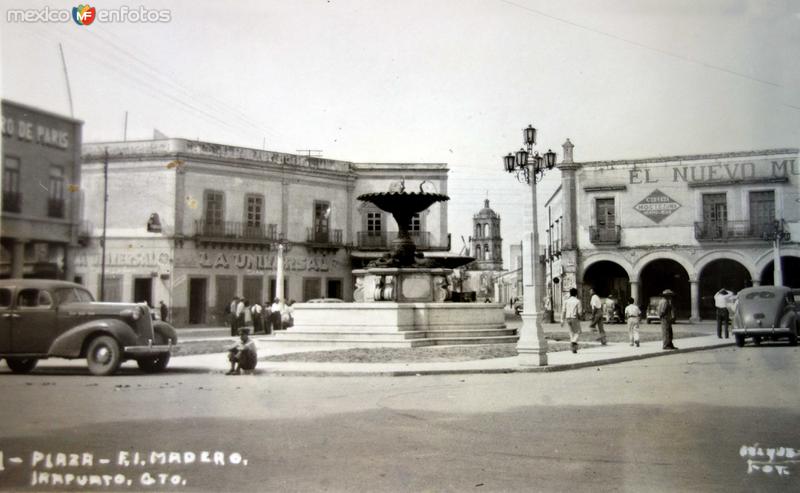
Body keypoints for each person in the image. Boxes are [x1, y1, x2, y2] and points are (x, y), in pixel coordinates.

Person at [561, 287, 583, 354]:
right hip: (574, 318)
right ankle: (573, 341)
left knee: (571, 332)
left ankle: (573, 349)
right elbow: (579, 312)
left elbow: (563, 311)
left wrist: (562, 320)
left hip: (568, 318)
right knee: (578, 331)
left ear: (570, 293)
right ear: (576, 294)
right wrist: (581, 316)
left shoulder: (566, 301)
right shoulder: (577, 301)